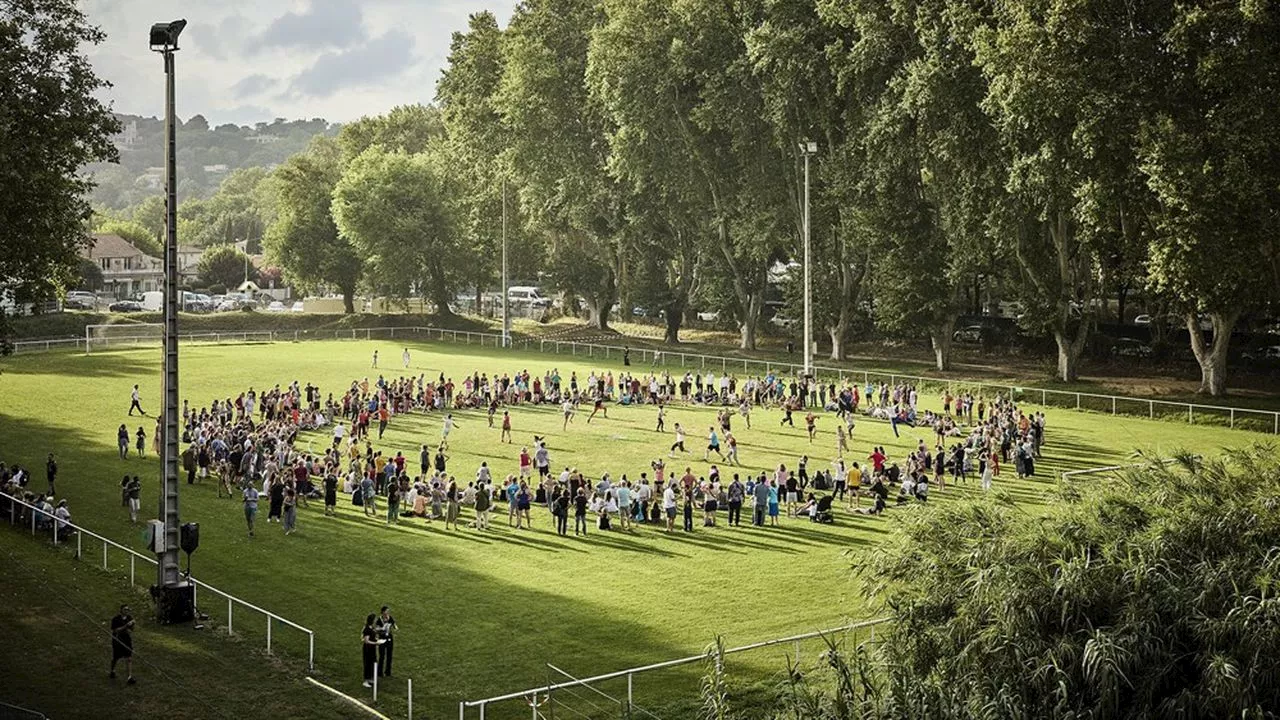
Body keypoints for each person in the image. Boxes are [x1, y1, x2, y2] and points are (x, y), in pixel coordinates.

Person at [109, 604, 136, 684]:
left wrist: (131, 626)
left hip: (127, 640)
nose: (127, 611)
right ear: (121, 610)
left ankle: (129, 677)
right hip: (117, 640)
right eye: (125, 609)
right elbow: (115, 631)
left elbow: (131, 631)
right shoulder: (115, 619)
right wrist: (126, 626)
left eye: (128, 609)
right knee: (116, 657)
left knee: (129, 658)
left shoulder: (129, 618)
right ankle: (112, 670)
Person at [375, 606, 397, 677]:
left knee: (389, 655)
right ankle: (380, 672)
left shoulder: (389, 617)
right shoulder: (379, 619)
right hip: (382, 638)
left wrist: (394, 626)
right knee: (382, 656)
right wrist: (382, 628)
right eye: (386, 611)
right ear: (383, 612)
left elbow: (394, 624)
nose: (387, 612)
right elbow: (376, 629)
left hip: (389, 638)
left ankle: (388, 672)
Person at [362, 614, 380, 687]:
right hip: (367, 649)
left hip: (372, 648)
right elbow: (366, 641)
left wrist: (377, 640)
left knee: (373, 662)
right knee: (367, 663)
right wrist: (375, 643)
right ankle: (366, 680)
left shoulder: (372, 628)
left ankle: (370, 678)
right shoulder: (367, 629)